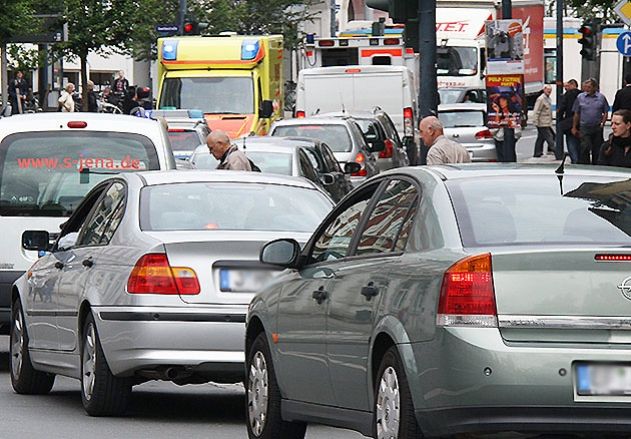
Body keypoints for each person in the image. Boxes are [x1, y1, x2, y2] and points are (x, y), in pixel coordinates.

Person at [572, 78, 609, 165]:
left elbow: (606, 111)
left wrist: (602, 123)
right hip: (584, 126)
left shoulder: (601, 97)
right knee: (585, 146)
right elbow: (576, 113)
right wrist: (574, 127)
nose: (587, 89)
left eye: (589, 87)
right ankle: (585, 164)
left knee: (597, 147)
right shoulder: (580, 97)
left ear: (594, 87)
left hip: (597, 126)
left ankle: (596, 164)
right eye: (585, 87)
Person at [557, 79, 581, 163]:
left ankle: (575, 160)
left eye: (567, 86)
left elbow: (562, 108)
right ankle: (579, 159)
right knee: (579, 142)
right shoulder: (581, 94)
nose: (566, 88)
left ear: (572, 84)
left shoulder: (568, 94)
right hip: (581, 122)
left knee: (571, 141)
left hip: (569, 122)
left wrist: (560, 120)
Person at [532, 85, 556, 158]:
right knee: (550, 137)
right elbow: (536, 110)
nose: (549, 91)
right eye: (548, 90)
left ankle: (537, 152)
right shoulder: (541, 99)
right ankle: (556, 151)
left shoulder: (548, 98)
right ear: (544, 89)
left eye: (550, 90)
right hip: (542, 123)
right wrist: (535, 121)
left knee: (541, 137)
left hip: (547, 122)